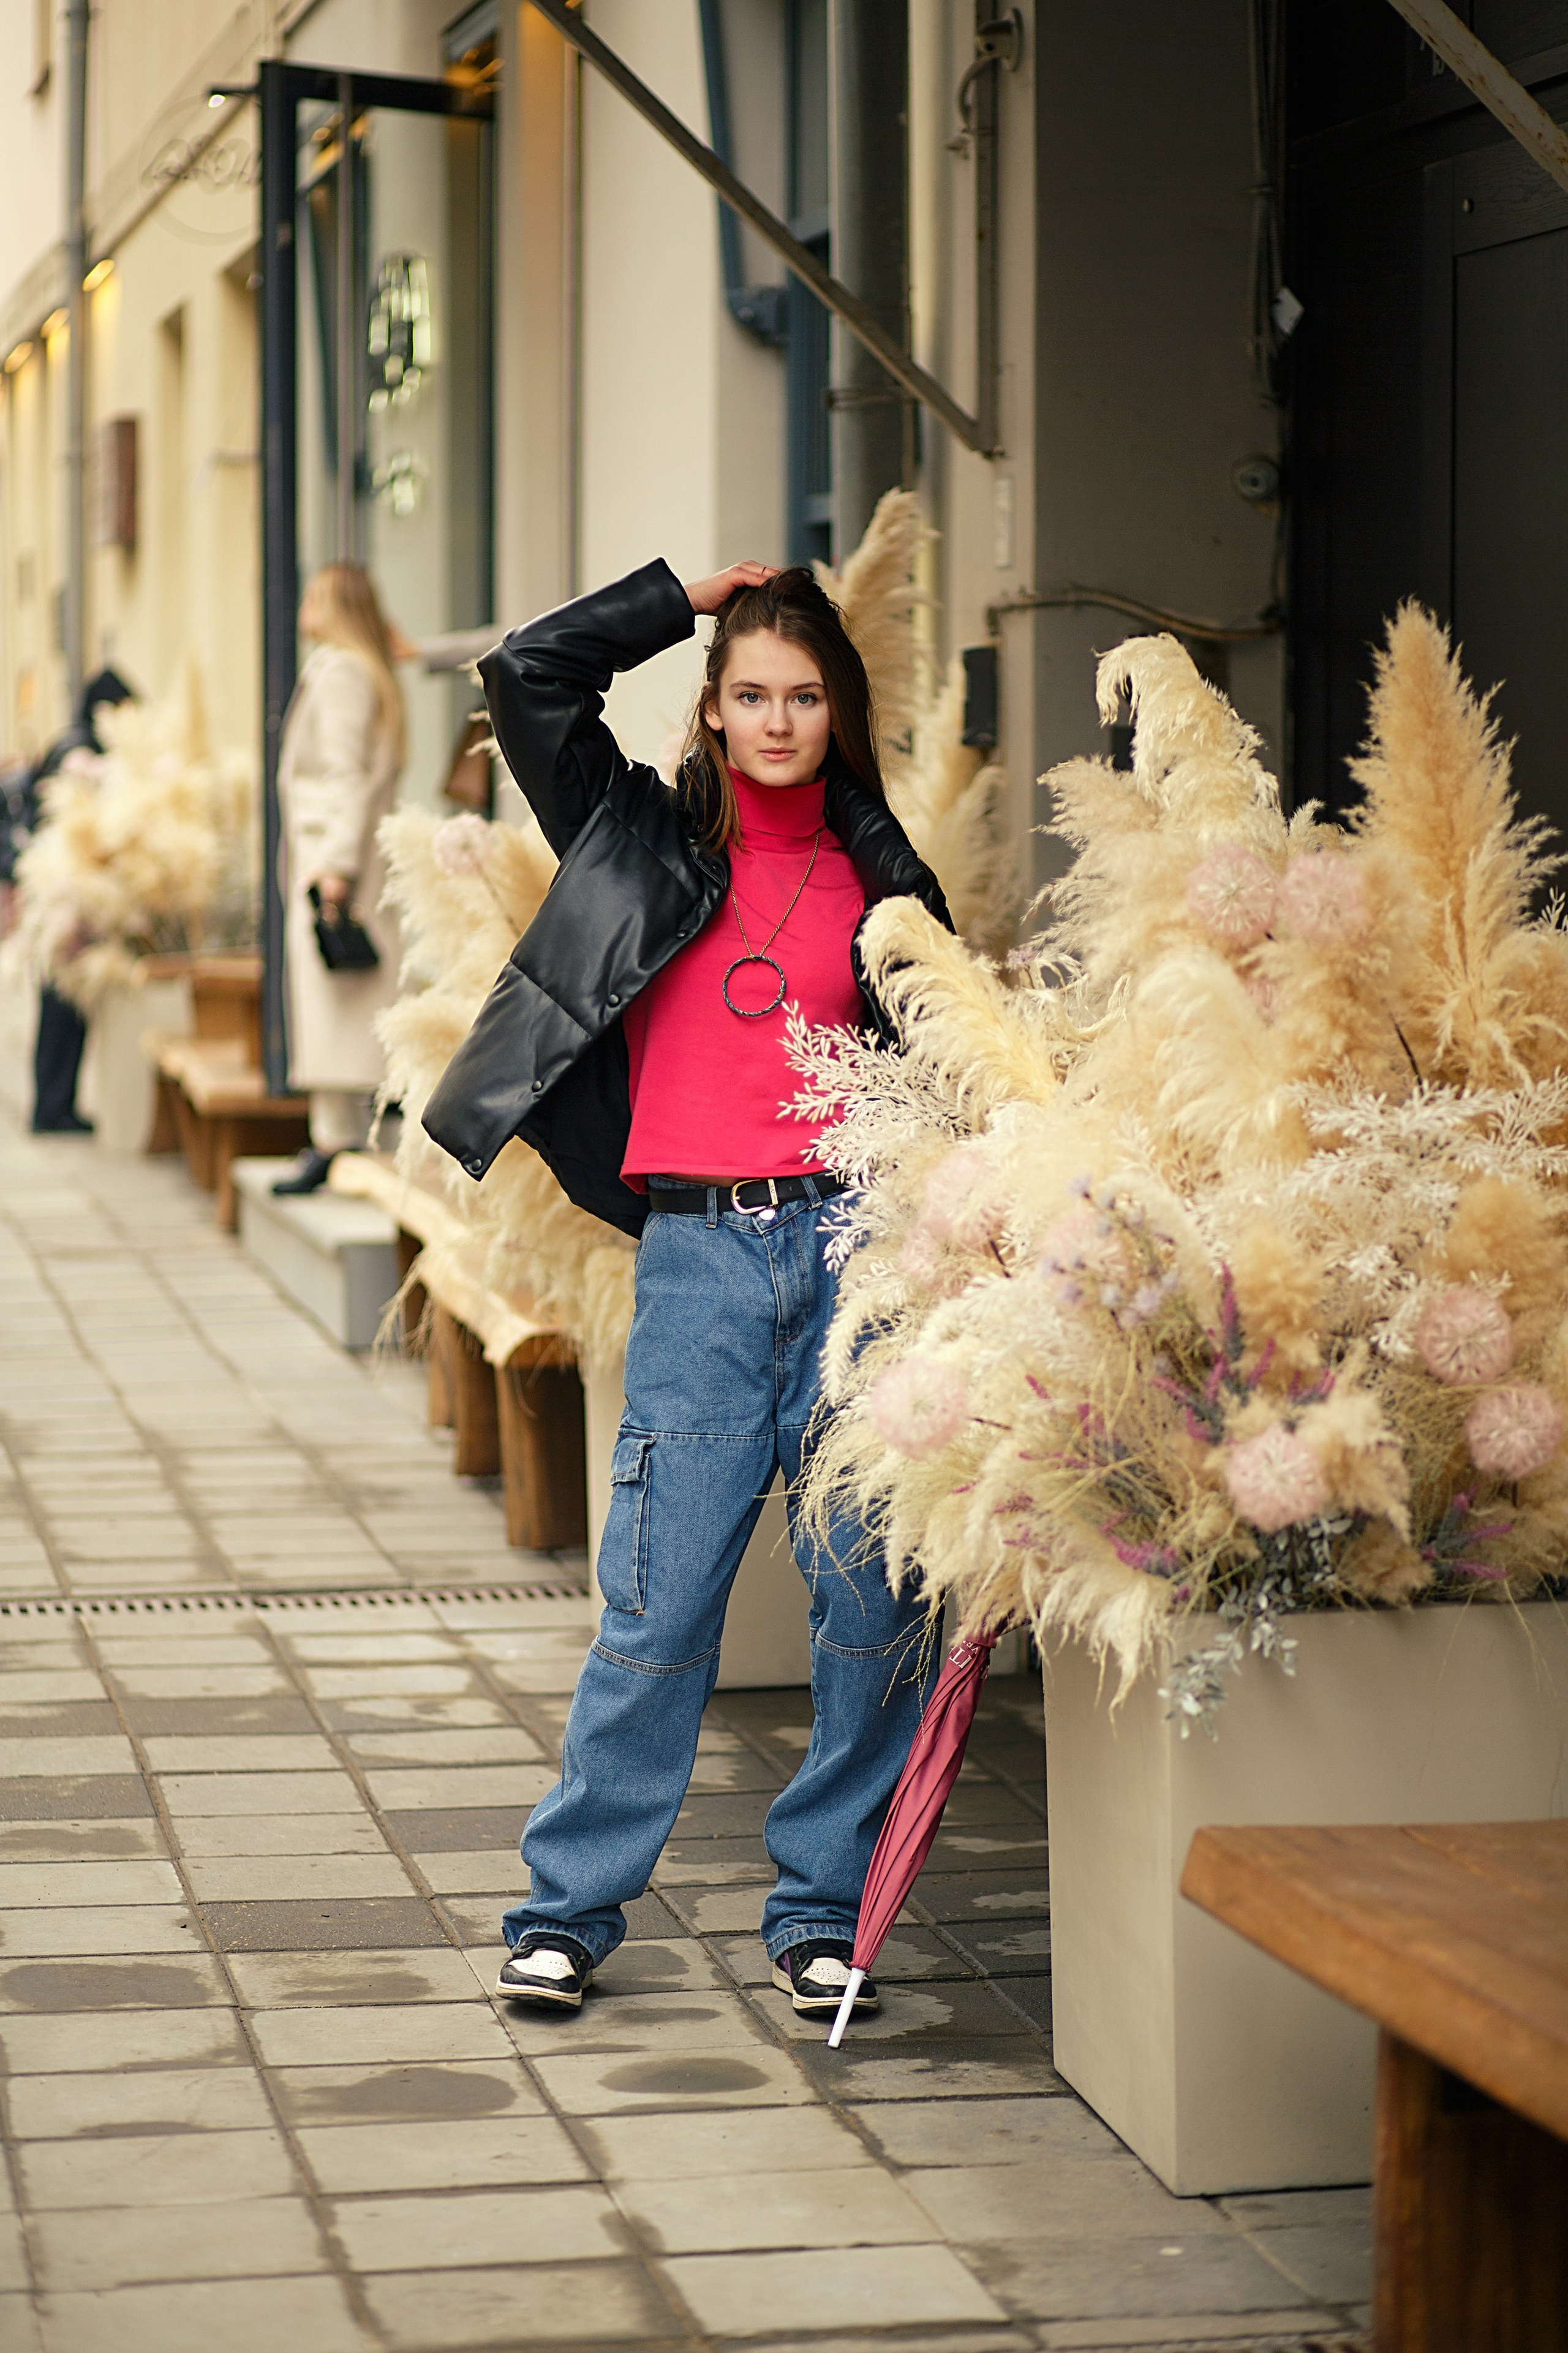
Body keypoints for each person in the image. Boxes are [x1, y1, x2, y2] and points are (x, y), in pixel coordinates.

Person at [424, 556, 952, 2019]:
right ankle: (567, 1909)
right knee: (658, 1603)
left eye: (802, 696)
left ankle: (820, 1906)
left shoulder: (886, 880)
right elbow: (528, 672)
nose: (777, 719)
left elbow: (941, 1080)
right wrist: (691, 593)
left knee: (866, 1603)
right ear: (712, 711)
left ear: (836, 712)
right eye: (751, 694)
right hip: (702, 1259)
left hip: (852, 1255)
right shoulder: (635, 834)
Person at [272, 563, 404, 1196]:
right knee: (347, 1001)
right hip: (340, 856)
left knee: (338, 1002)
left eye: (315, 591)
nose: (304, 602)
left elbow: (343, 775)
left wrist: (335, 869)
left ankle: (333, 1138)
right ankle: (344, 1132)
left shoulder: (345, 672)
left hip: (335, 861)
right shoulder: (355, 668)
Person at [1, 667, 138, 1135]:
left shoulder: (68, 744)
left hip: (62, 895)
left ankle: (57, 1104)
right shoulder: (80, 754)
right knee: (61, 1006)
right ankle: (52, 1106)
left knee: (64, 1007)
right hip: (63, 899)